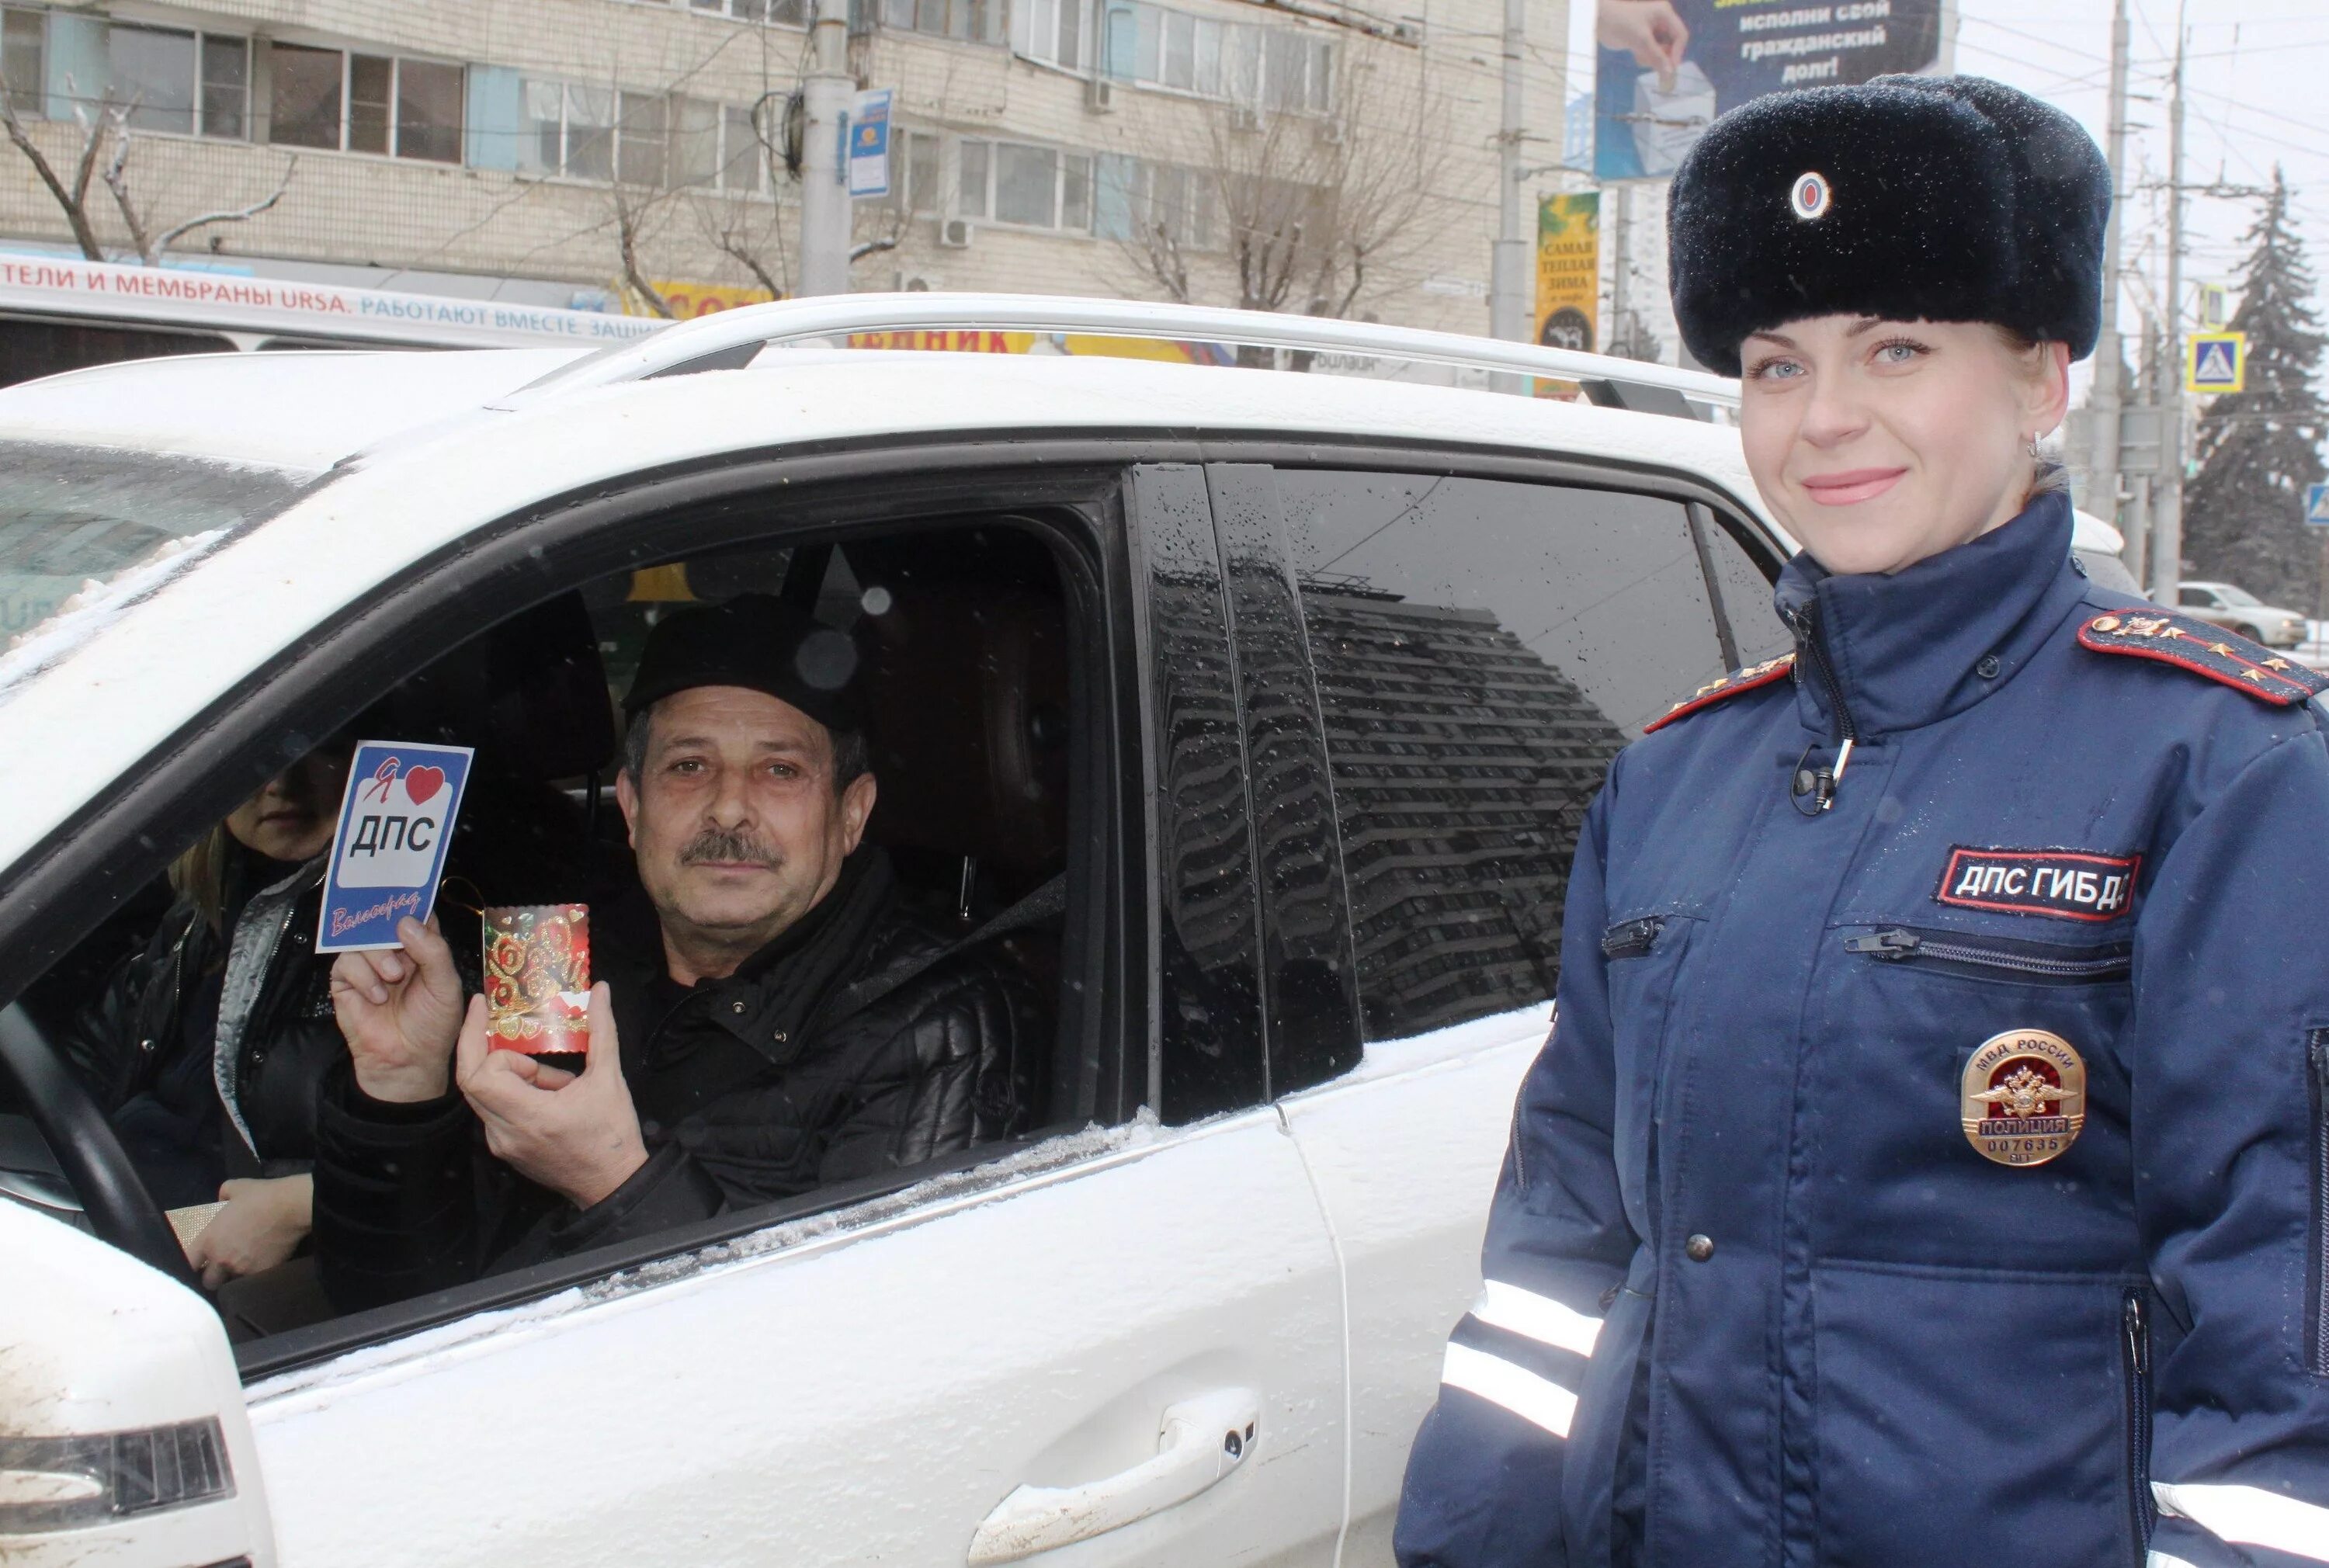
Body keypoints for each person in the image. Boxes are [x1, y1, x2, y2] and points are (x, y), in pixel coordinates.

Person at [1395, 77, 2329, 1567]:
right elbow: (1559, 1262)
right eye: (1776, 365)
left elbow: (2279, 1358)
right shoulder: (1674, 782)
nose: (1825, 420)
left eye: (1897, 347)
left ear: (2041, 380)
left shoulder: (2221, 769)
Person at [312, 595, 1043, 1312]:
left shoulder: (941, 1023)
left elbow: (869, 1367)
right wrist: (401, 1093)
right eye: (689, 767)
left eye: (780, 770)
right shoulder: (550, 965)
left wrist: (614, 1182)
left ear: (850, 815)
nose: (728, 809)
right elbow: (390, 1310)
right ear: (631, 808)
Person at [68, 743, 355, 1289]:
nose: (280, 782)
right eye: (253, 754)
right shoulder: (198, 921)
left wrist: (304, 1204)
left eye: (318, 747)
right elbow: (86, 1063)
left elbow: (513, 1144)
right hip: (116, 1201)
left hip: (206, 1247)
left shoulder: (440, 915)